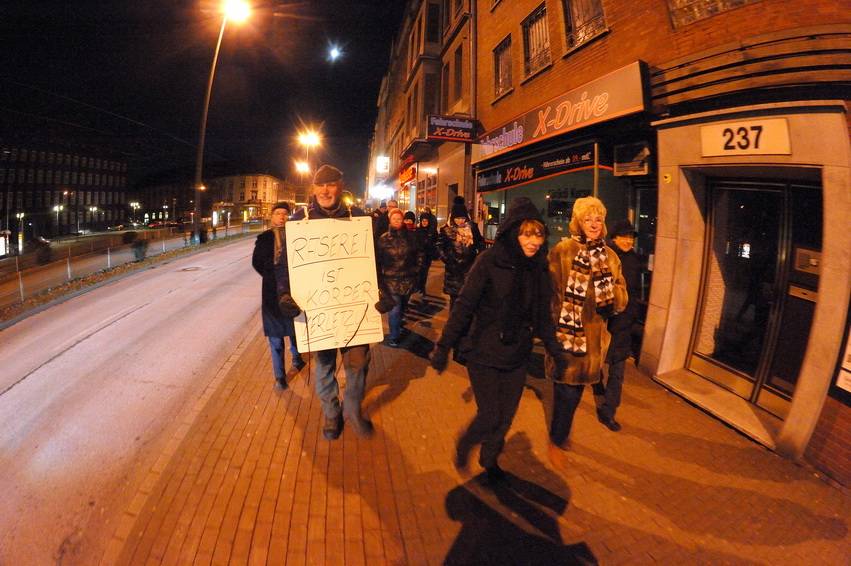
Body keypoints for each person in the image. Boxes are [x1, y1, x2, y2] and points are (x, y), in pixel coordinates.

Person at [430, 197, 564, 483]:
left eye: (538, 234)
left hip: (517, 354)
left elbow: (543, 316)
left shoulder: (539, 269)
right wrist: (443, 346)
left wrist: (556, 351)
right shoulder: (490, 261)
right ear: (513, 232)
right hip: (484, 352)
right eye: (527, 234)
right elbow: (465, 305)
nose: (533, 241)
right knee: (490, 415)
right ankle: (466, 444)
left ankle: (489, 459)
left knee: (505, 418)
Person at [290, 164, 375, 439]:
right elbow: (284, 265)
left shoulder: (358, 218)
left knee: (359, 364)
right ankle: (331, 413)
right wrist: (283, 293)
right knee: (324, 366)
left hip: (354, 307)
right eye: (320, 185)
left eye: (331, 184)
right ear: (314, 189)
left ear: (341, 186)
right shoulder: (299, 220)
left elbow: (374, 261)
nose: (325, 191)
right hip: (319, 310)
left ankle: (352, 407)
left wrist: (383, 292)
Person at [546, 197, 628, 457]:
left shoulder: (610, 257)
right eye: (587, 219)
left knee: (575, 391)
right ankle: (558, 437)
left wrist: (611, 291)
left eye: (598, 219)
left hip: (593, 341)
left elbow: (621, 298)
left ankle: (559, 435)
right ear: (578, 222)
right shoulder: (562, 251)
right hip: (565, 334)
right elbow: (548, 290)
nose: (593, 224)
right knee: (564, 389)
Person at [593, 219, 642, 432]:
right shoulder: (604, 257)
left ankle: (609, 411)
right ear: (614, 238)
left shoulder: (634, 260)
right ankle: (596, 380)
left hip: (624, 324)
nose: (628, 241)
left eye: (631, 237)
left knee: (618, 371)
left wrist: (633, 316)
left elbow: (635, 292)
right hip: (604, 321)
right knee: (597, 359)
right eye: (624, 236)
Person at [251, 201, 305, 389]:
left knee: (294, 328)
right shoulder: (264, 238)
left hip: (293, 290)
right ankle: (280, 376)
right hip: (272, 294)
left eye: (284, 213)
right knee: (275, 336)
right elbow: (256, 262)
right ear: (272, 216)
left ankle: (297, 358)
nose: (281, 217)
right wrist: (272, 275)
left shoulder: (296, 235)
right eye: (278, 213)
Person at [377, 208, 423, 347]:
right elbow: (378, 259)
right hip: (390, 280)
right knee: (394, 309)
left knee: (403, 306)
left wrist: (417, 269)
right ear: (390, 220)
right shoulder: (383, 239)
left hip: (408, 279)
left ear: (403, 220)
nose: (397, 221)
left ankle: (398, 326)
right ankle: (394, 336)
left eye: (399, 218)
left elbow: (419, 254)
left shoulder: (411, 237)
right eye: (394, 218)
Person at [438, 196, 484, 311]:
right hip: (453, 270)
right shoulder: (446, 229)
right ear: (453, 217)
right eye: (458, 218)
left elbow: (480, 242)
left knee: (468, 299)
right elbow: (439, 246)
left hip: (469, 268)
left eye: (463, 218)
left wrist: (478, 257)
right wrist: (447, 259)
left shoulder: (472, 227)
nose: (460, 221)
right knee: (454, 301)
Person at [415, 211, 439, 295]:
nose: (424, 222)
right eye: (423, 221)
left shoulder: (432, 232)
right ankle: (419, 287)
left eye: (426, 221)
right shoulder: (418, 230)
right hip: (419, 255)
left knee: (425, 272)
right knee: (419, 272)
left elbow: (436, 242)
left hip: (428, 255)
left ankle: (422, 287)